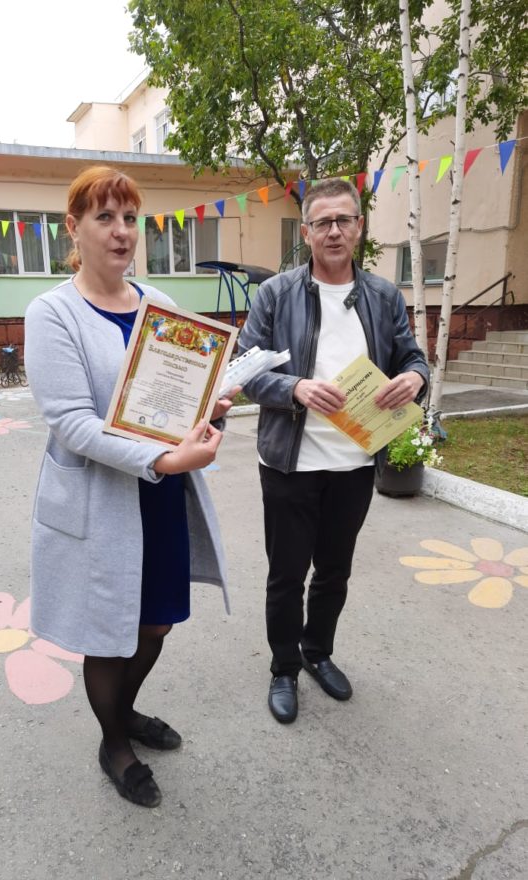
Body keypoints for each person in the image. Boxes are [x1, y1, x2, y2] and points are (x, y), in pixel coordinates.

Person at [24, 166, 235, 806]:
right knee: (109, 631)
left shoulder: (157, 304)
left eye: (130, 218)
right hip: (101, 499)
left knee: (156, 624)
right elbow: (72, 422)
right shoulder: (52, 313)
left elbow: (177, 395)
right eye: (105, 218)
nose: (121, 232)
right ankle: (114, 742)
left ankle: (125, 709)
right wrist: (165, 458)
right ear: (74, 228)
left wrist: (208, 409)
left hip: (159, 496)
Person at [237, 178, 429, 724]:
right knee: (286, 575)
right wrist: (294, 387)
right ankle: (283, 668)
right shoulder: (276, 294)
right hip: (289, 463)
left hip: (354, 464)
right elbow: (244, 370)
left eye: (344, 219)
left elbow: (413, 357)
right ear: (306, 233)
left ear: (359, 227)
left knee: (334, 572)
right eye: (323, 222)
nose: (334, 231)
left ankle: (317, 652)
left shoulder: (383, 297)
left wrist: (415, 378)